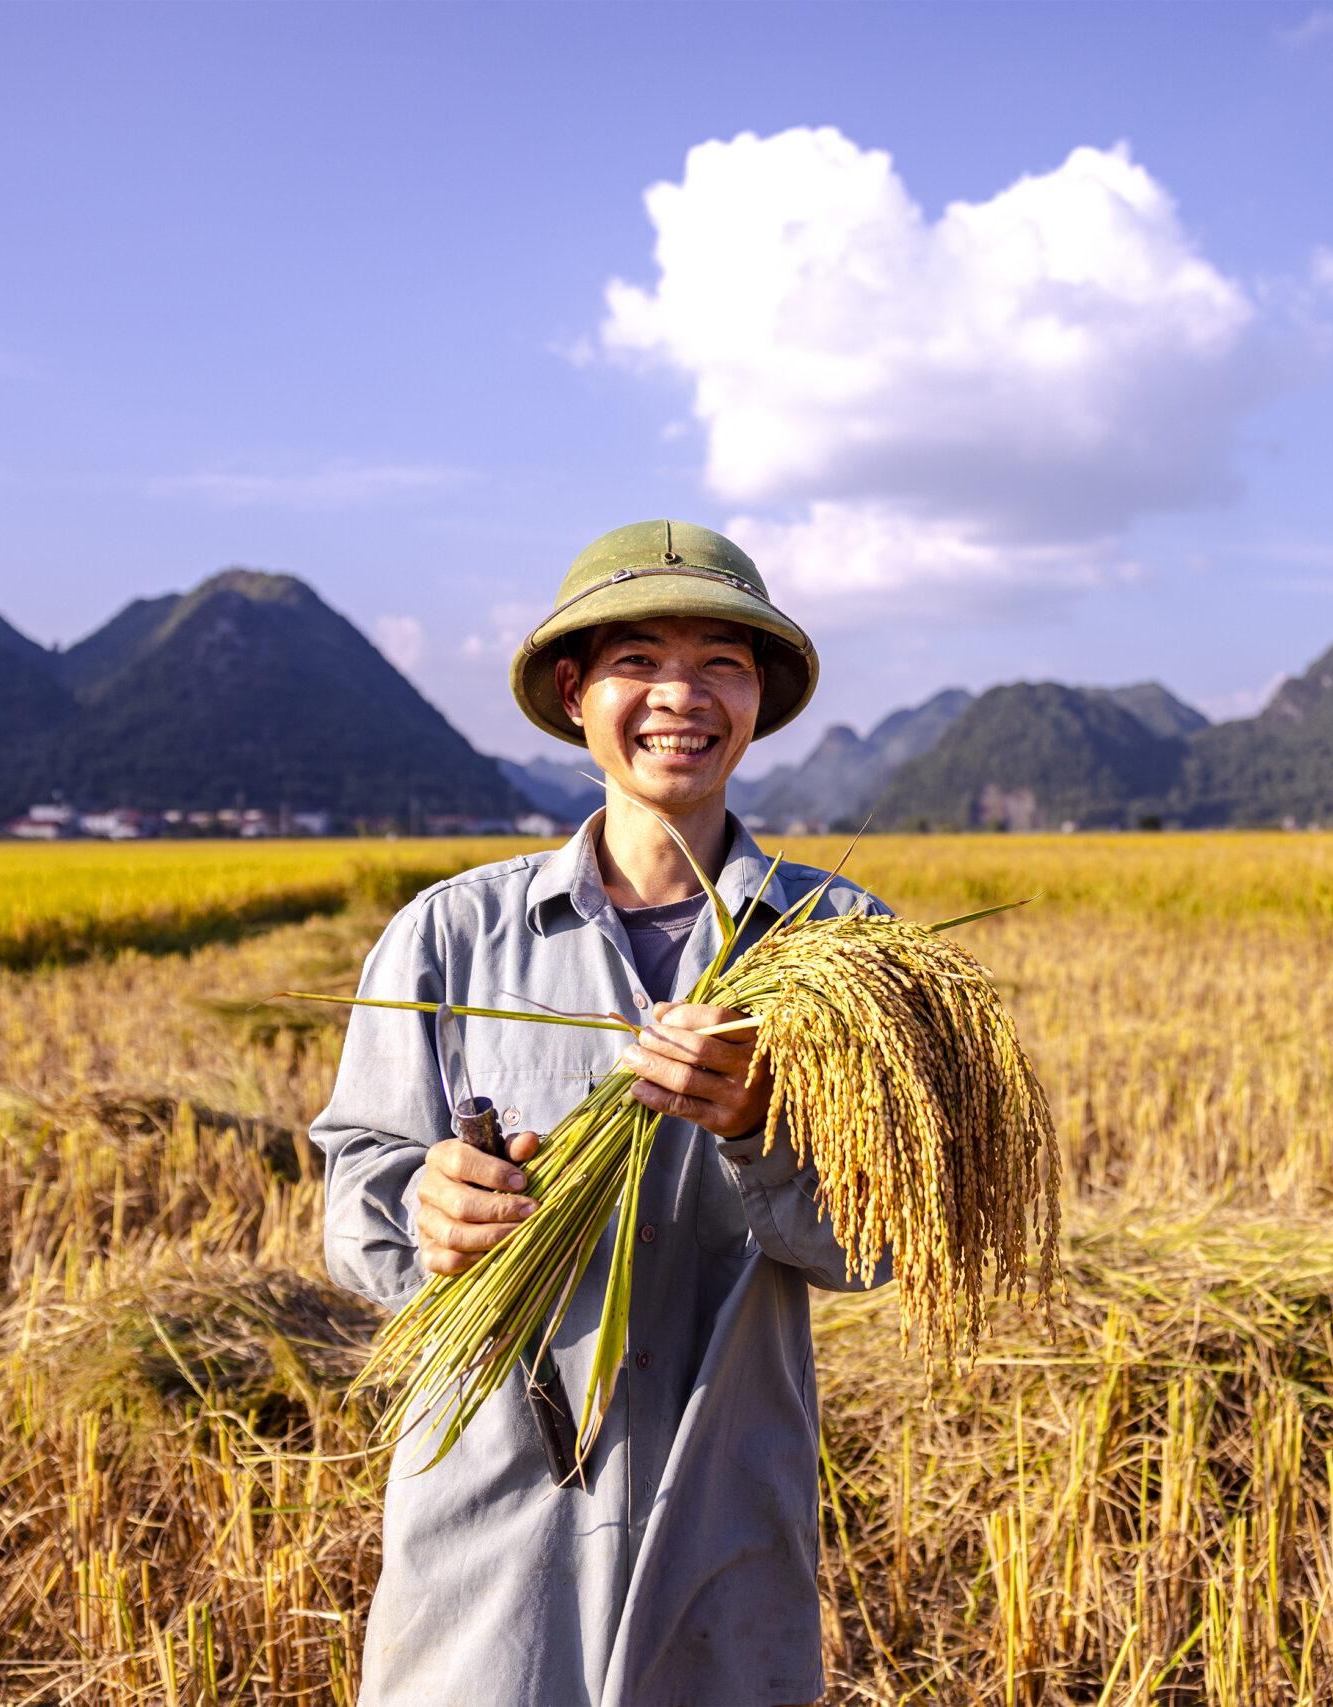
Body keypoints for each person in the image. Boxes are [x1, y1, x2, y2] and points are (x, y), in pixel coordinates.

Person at [308, 520, 891, 1707]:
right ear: (576, 693)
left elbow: (878, 1237)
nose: (680, 695)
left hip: (721, 1498)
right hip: (497, 1509)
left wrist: (760, 1133)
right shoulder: (451, 936)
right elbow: (354, 1192)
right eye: (637, 660)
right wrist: (423, 1205)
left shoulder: (842, 949)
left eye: (721, 661)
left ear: (760, 697)